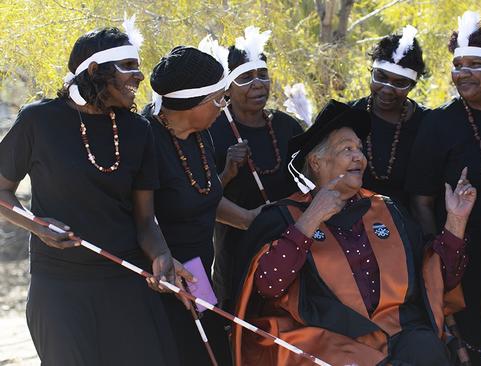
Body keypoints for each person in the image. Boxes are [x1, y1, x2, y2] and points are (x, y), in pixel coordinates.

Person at [231, 100, 478, 366]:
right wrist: (311, 218)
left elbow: (438, 281)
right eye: (347, 149)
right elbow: (268, 286)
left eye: (360, 149)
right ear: (316, 161)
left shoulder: (388, 211)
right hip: (330, 341)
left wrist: (456, 221)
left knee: (427, 350)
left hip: (401, 333)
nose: (359, 156)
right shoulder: (284, 217)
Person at [0, 24, 181, 365]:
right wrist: (36, 225)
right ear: (95, 70)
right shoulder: (38, 120)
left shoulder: (138, 131)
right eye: (127, 66)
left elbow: (145, 220)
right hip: (59, 288)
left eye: (137, 65)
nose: (139, 75)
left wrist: (160, 254)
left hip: (126, 281)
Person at [406, 11, 481, 363]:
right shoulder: (438, 122)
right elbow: (422, 201)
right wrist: (439, 262)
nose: (462, 72)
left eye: (475, 64)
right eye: (458, 64)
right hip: (462, 263)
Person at [142, 45, 260, 366]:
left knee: (213, 357)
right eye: (219, 99)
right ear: (191, 103)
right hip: (159, 282)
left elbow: (203, 196)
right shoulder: (144, 138)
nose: (224, 106)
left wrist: (251, 219)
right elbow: (136, 217)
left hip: (197, 278)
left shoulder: (200, 134)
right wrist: (163, 263)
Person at [209, 26, 303, 310]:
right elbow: (199, 195)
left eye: (263, 75)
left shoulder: (286, 126)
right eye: (246, 78)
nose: (258, 84)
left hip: (289, 241)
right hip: (235, 249)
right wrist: (227, 172)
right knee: (239, 317)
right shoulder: (212, 129)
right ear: (228, 86)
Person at [349, 25, 429, 209]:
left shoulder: (427, 123)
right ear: (371, 73)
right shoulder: (345, 116)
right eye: (380, 77)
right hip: (350, 226)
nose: (386, 89)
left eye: (399, 83)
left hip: (407, 228)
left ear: (412, 85)